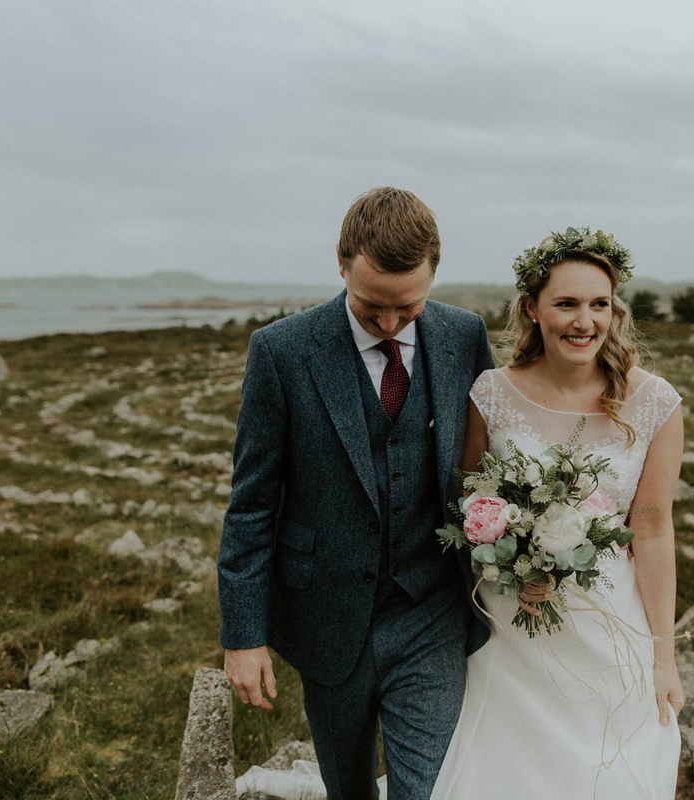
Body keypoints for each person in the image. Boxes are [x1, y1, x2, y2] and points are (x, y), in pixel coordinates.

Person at [218, 187, 494, 800]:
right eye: (372, 308)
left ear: (433, 276)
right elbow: (253, 504)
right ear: (341, 264)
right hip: (324, 614)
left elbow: (488, 465)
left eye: (409, 308)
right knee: (348, 789)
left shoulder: (463, 336)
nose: (391, 322)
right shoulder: (282, 351)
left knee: (423, 791)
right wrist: (242, 633)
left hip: (431, 611)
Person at [430, 228, 686, 799]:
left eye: (599, 304)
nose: (584, 321)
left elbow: (652, 529)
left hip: (605, 624)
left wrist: (663, 657)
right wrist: (512, 565)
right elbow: (472, 503)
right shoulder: (491, 393)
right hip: (510, 628)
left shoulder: (654, 405)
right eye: (566, 304)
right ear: (532, 309)